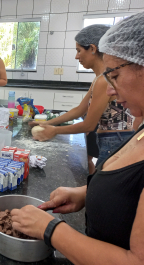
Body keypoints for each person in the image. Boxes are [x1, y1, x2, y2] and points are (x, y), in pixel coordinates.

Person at [11, 12, 144, 264]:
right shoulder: (140, 130)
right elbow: (128, 196)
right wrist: (87, 193)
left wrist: (50, 229)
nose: (111, 90)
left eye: (114, 76)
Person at [30, 24, 134, 168]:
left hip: (116, 140)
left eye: (79, 51)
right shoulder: (99, 78)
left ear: (92, 48)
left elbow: (89, 125)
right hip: (109, 137)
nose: (76, 56)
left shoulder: (104, 80)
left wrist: (54, 131)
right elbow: (80, 110)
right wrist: (49, 123)